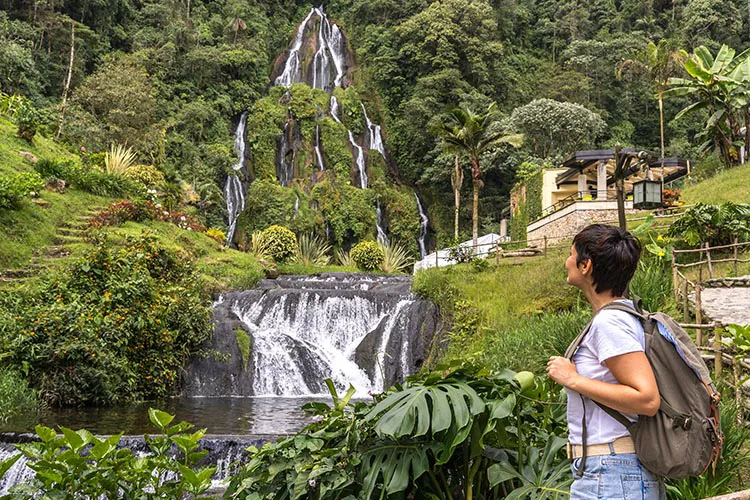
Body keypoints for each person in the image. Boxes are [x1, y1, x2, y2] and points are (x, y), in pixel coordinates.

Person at [546, 224, 665, 499]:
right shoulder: (626, 314)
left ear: (585, 265)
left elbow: (646, 399)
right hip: (614, 471)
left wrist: (573, 379)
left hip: (612, 473)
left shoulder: (610, 322)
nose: (567, 261)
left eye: (570, 254)